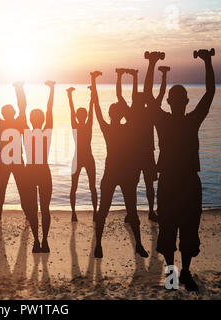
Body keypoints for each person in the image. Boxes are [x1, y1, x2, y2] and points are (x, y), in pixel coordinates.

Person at [145, 50, 215, 291]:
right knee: (175, 230)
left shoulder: (178, 121)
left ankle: (181, 274)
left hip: (180, 183)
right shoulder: (186, 120)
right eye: (178, 98)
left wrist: (153, 63)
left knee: (182, 230)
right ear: (183, 102)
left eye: (178, 98)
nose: (177, 101)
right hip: (178, 183)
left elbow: (147, 95)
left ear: (176, 102)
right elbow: (209, 94)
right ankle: (179, 274)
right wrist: (207, 62)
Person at [91, 70, 149, 259]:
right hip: (123, 175)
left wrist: (93, 84)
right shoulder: (127, 127)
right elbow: (100, 109)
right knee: (129, 211)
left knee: (105, 210)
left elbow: (97, 108)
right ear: (121, 115)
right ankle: (137, 244)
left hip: (115, 174)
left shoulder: (111, 128)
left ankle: (100, 245)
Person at [0, 81, 41, 252]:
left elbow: (22, 106)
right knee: (1, 190)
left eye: (8, 112)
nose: (7, 113)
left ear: (11, 113)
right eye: (6, 112)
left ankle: (25, 213)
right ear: (5, 114)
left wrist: (19, 89)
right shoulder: (2, 123)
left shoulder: (17, 122)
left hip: (17, 161)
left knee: (22, 190)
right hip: (5, 162)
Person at [116, 66, 167, 222]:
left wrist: (122, 77)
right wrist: (163, 75)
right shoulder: (147, 113)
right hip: (144, 154)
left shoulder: (133, 113)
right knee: (147, 185)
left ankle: (136, 213)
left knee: (135, 185)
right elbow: (160, 94)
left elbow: (120, 95)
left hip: (138, 154)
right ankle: (147, 212)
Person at [20, 81, 55, 253]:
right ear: (41, 120)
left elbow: (22, 110)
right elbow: (50, 111)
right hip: (42, 171)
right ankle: (44, 241)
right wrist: (52, 89)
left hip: (31, 172)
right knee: (44, 209)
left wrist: (20, 89)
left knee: (33, 209)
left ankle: (36, 241)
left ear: (30, 120)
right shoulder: (47, 131)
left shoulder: (26, 131)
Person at [66, 85, 98, 222]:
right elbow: (73, 111)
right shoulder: (79, 125)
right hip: (80, 158)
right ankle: (74, 212)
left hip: (84, 158)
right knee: (77, 186)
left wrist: (91, 95)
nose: (81, 116)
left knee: (90, 186)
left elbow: (90, 110)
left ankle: (94, 212)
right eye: (81, 115)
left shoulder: (83, 125)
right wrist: (70, 96)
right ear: (81, 116)